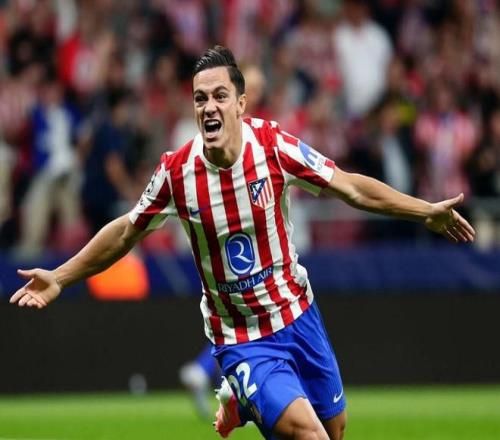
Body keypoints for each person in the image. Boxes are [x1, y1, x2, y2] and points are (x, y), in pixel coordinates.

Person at [10, 46, 475, 440]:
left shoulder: (273, 147)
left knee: (334, 430)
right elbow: (126, 230)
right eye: (200, 99)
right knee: (311, 436)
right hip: (242, 337)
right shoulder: (177, 172)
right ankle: (243, 385)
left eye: (219, 96)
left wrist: (424, 211)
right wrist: (60, 277)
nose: (208, 107)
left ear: (240, 104)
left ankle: (241, 400)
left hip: (299, 314)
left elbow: (351, 187)